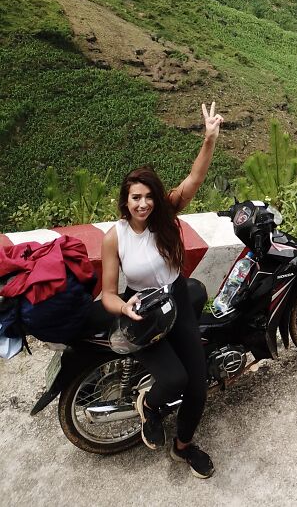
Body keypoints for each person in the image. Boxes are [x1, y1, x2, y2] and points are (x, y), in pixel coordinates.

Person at [101, 100, 223, 479]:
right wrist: (125, 309)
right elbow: (107, 294)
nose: (143, 203)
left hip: (178, 301)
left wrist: (209, 140)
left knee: (197, 386)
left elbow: (194, 180)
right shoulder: (114, 238)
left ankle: (183, 446)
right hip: (146, 314)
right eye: (135, 197)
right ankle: (150, 407)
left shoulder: (165, 217)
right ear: (125, 201)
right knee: (175, 379)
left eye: (148, 196)